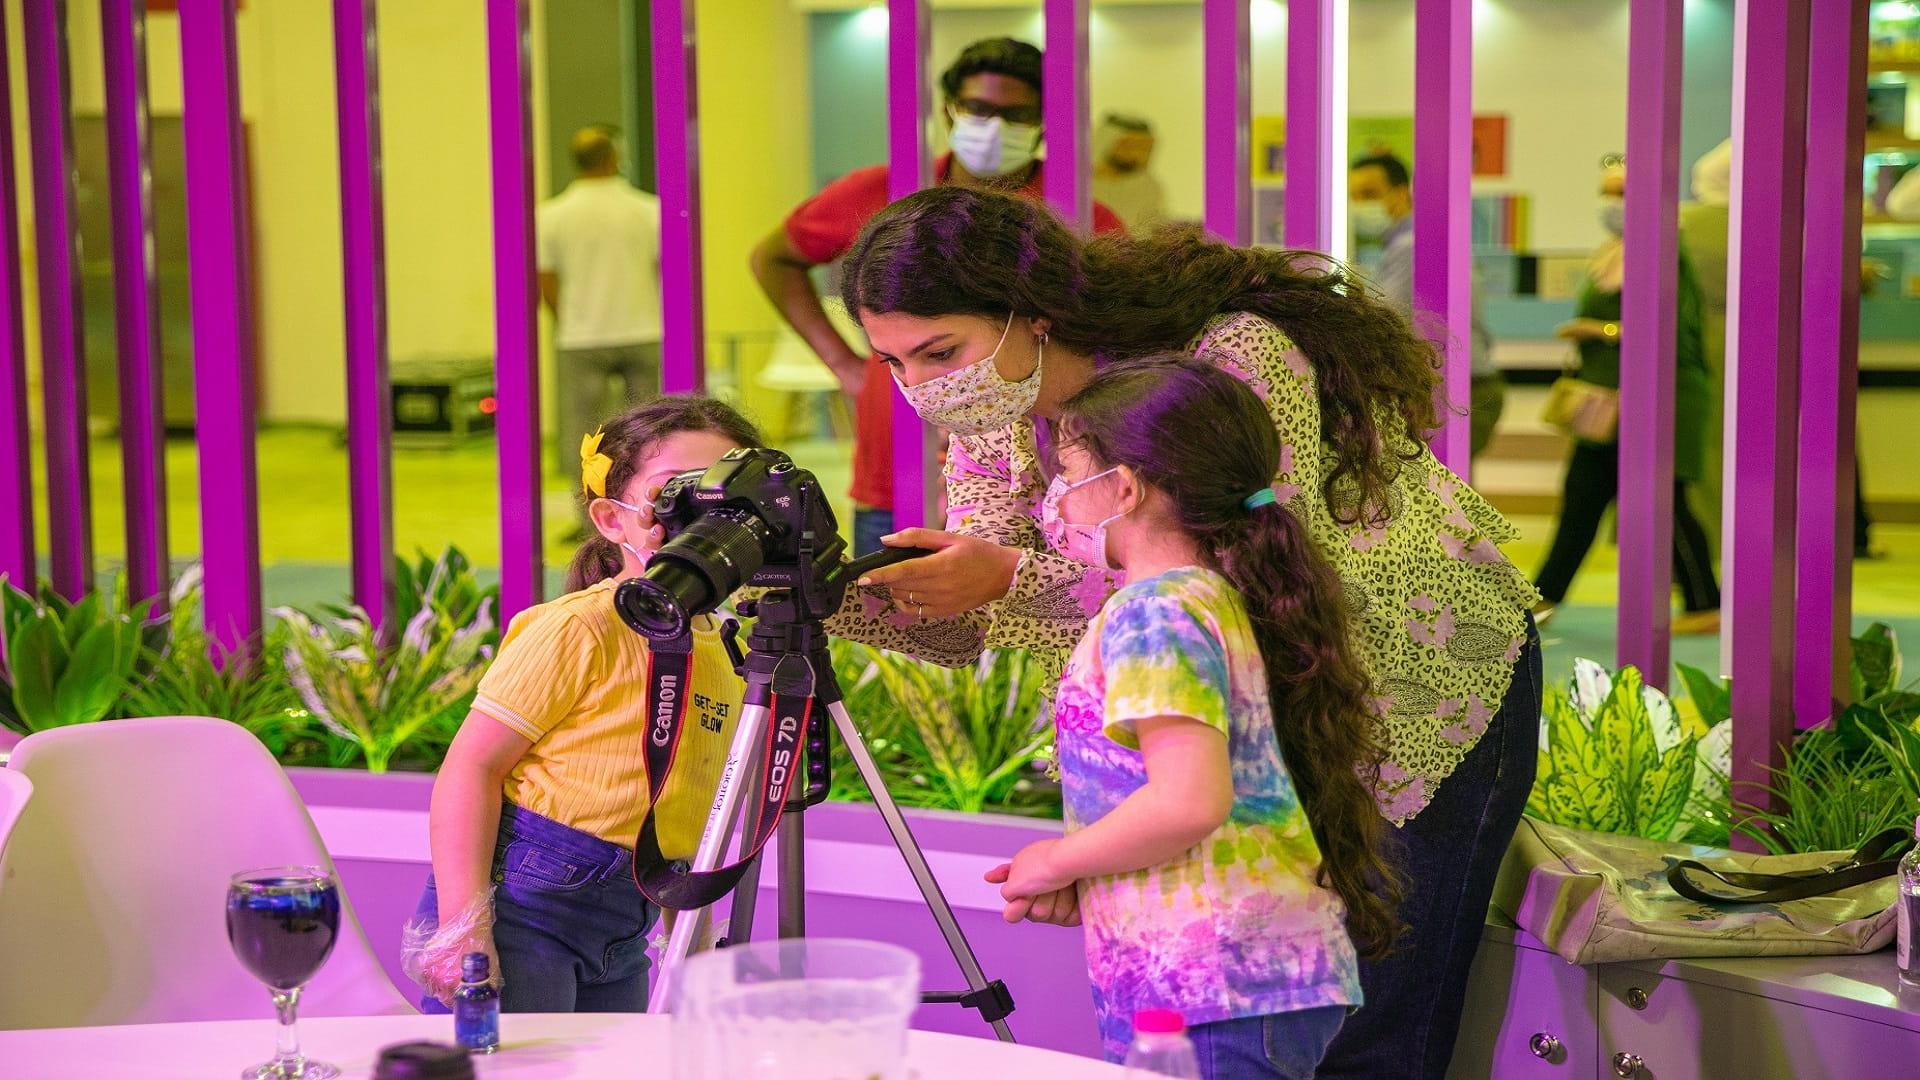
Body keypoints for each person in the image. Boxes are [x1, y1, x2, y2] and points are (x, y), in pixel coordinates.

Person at [824, 185, 1542, 1080]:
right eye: (893, 363)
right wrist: (828, 595)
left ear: (1032, 312)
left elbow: (1237, 588)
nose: (924, 389)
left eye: (940, 351)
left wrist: (1001, 577)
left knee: (1370, 1018)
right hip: (1220, 719)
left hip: (1411, 685)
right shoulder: (995, 409)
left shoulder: (1225, 356)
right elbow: (987, 612)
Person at [986, 358, 1400, 1075]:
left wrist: (1054, 857)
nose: (1058, 496)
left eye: (1070, 469)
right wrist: (1097, 877)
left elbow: (1187, 800)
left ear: (1123, 487)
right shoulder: (1206, 598)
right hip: (1222, 982)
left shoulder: (1155, 609)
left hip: (1213, 989)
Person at [404, 397, 762, 1012]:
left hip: (630, 921)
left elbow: (691, 803)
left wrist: (692, 937)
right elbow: (472, 767)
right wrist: (464, 929)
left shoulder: (733, 648)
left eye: (726, 495)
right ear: (611, 519)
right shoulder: (580, 627)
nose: (705, 518)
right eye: (673, 495)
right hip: (522, 909)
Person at [749, 37, 1123, 557]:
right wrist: (844, 364)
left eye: (1015, 114)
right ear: (949, 110)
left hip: (1034, 473)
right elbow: (773, 257)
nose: (992, 128)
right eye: (977, 109)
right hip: (897, 467)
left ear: (1043, 121)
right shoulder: (882, 190)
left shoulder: (1077, 211)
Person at [1533, 162, 1721, 635]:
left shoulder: (1662, 252)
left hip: (1655, 402)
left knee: (1664, 504)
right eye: (1606, 193)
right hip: (1615, 404)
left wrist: (1604, 331)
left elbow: (1670, 332)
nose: (1611, 204)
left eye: (1620, 193)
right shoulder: (1616, 254)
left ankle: (1705, 603)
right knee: (1584, 498)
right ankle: (1539, 601)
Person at [538, 126, 665, 514]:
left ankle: (589, 520)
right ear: (614, 158)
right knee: (650, 433)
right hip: (643, 330)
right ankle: (649, 512)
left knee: (586, 439)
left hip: (582, 337)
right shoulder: (648, 209)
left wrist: (569, 319)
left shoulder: (551, 215)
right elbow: (666, 270)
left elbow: (545, 280)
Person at [1348, 152, 1506, 458]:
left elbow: (1380, 320)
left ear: (1401, 192)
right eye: (1354, 197)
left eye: (1369, 194)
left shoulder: (1412, 246)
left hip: (1456, 388)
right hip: (1462, 384)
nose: (1361, 206)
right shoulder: (1412, 242)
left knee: (1443, 495)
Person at [1090, 113, 1166, 232]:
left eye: (1146, 148)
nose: (1142, 155)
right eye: (1135, 147)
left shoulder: (1149, 187)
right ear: (1108, 143)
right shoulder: (1080, 183)